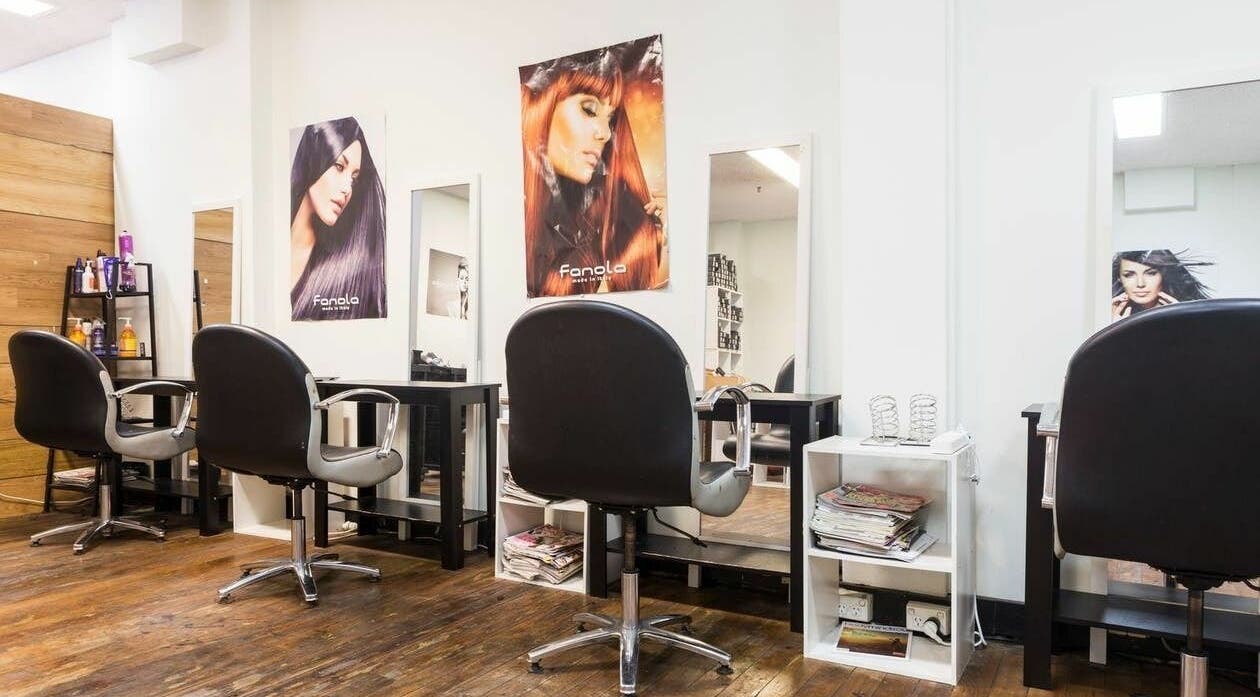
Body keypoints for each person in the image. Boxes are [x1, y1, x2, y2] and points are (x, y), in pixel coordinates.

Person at [519, 42, 667, 297]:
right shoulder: (515, 221)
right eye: (589, 110)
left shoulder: (607, 210)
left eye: (610, 119)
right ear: (541, 105)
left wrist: (658, 240)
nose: (606, 134)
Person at [289, 117, 386, 320]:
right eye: (340, 167)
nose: (347, 188)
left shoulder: (340, 270)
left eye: (354, 178)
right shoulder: (273, 249)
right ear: (313, 159)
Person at [1111, 249, 1211, 321]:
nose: (1140, 284)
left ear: (1164, 275)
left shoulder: (1193, 312)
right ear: (1120, 278)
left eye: (1151, 273)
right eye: (1129, 275)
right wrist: (1113, 328)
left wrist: (1182, 320)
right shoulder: (1112, 315)